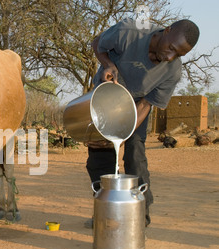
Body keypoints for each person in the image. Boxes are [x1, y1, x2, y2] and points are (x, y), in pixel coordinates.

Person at [85, 18, 200, 228]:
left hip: (137, 104)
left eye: (178, 55)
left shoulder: (172, 71)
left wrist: (123, 133)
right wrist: (108, 64)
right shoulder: (130, 31)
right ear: (167, 31)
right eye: (171, 48)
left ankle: (139, 217)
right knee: (99, 154)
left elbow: (147, 104)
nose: (170, 57)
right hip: (107, 95)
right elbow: (97, 42)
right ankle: (106, 214)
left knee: (135, 153)